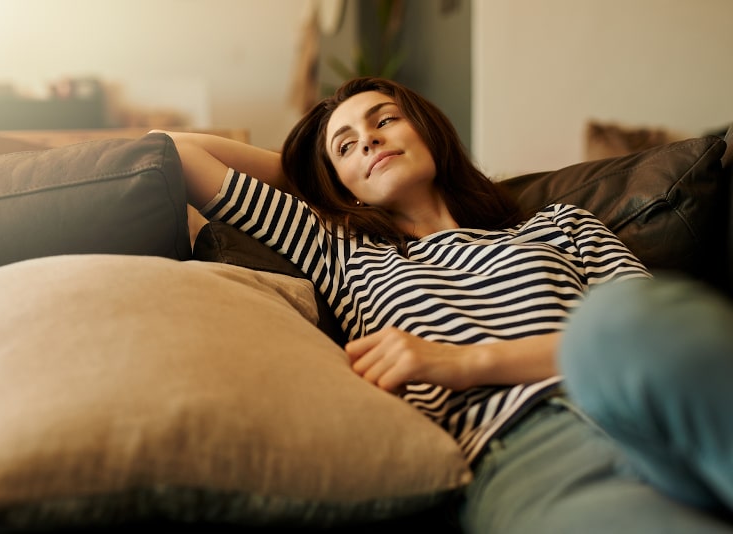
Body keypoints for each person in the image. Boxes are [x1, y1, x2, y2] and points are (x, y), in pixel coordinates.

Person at [156, 77, 733, 532]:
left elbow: (643, 333)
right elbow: (178, 154)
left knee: (626, 318)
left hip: (652, 404)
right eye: (348, 143)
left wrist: (462, 363)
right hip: (532, 452)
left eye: (384, 121)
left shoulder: (563, 224)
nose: (370, 140)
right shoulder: (340, 252)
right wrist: (315, 169)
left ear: (429, 131)